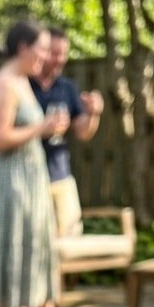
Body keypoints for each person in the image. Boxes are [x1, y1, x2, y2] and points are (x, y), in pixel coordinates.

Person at [0, 20, 69, 307]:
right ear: (23, 48)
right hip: (12, 180)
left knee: (38, 241)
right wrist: (41, 128)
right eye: (41, 49)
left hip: (30, 178)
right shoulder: (3, 84)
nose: (45, 56)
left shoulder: (22, 82)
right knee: (14, 242)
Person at [28, 26, 105, 237]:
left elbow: (83, 132)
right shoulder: (23, 84)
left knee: (69, 242)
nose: (60, 59)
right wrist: (42, 129)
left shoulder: (67, 87)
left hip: (61, 178)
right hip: (30, 179)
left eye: (63, 53)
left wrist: (93, 114)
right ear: (41, 51)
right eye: (54, 53)